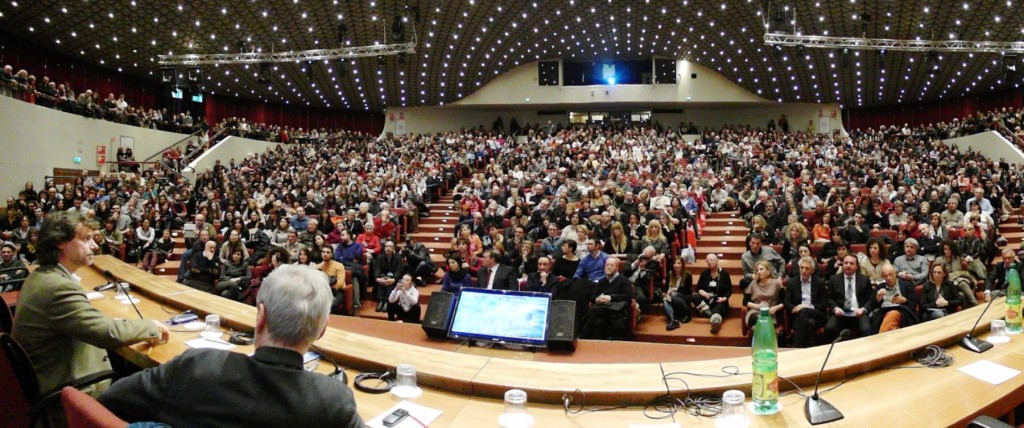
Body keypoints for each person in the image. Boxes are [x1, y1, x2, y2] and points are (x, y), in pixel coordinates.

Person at [99, 265, 364, 428]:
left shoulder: (195, 366)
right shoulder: (333, 401)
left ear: (260, 315)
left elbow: (108, 403)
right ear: (322, 329)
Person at [12, 211, 168, 404]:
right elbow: (108, 333)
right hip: (67, 393)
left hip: (50, 378)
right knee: (158, 389)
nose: (94, 245)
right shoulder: (58, 287)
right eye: (86, 239)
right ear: (60, 241)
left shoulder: (40, 276)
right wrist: (152, 326)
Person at [579, 257, 634, 340]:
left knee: (595, 310)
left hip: (617, 312)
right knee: (598, 322)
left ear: (617, 268)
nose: (608, 267)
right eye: (607, 265)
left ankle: (582, 336)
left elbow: (628, 296)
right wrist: (597, 299)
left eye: (611, 265)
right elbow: (592, 296)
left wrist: (610, 298)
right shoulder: (602, 281)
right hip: (603, 311)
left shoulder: (624, 280)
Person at [825, 254, 873, 339]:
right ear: (842, 264)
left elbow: (870, 299)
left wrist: (863, 309)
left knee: (866, 329)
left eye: (851, 263)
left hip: (859, 313)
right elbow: (829, 298)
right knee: (830, 328)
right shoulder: (834, 279)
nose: (848, 265)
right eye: (846, 263)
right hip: (840, 313)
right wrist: (835, 308)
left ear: (857, 266)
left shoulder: (864, 279)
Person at [784, 256, 828, 348]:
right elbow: (787, 303)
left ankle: (795, 346)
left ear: (812, 270)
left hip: (817, 314)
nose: (803, 271)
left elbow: (823, 304)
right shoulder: (792, 282)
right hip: (798, 316)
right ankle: (809, 350)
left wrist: (806, 306)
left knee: (804, 311)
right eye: (801, 268)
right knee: (810, 323)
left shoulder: (819, 282)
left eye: (807, 268)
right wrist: (796, 308)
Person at [870, 264, 919, 333]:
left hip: (903, 312)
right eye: (885, 276)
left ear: (895, 273)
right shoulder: (880, 287)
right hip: (883, 313)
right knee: (890, 323)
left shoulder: (907, 285)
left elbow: (913, 305)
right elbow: (872, 306)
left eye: (890, 274)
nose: (888, 278)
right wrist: (878, 298)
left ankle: (880, 339)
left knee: (892, 314)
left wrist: (904, 300)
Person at [696, 253, 733, 334]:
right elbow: (698, 288)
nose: (709, 262)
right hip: (707, 299)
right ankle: (709, 312)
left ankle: (715, 323)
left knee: (718, 309)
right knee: (693, 297)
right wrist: (705, 294)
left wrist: (724, 298)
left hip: (719, 300)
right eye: (707, 261)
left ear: (717, 261)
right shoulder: (704, 273)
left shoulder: (724, 274)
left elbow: (729, 290)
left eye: (711, 260)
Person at [743, 260, 784, 329]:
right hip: (755, 312)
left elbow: (785, 301)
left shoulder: (776, 283)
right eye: (757, 270)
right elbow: (745, 301)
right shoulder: (753, 283)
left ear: (768, 271)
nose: (758, 272)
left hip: (770, 313)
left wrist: (776, 308)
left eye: (761, 269)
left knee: (757, 327)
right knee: (760, 321)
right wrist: (758, 306)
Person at [663, 258, 697, 331]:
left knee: (674, 294)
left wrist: (674, 290)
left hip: (684, 298)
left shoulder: (687, 275)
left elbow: (687, 291)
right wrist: (667, 294)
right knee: (665, 299)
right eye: (674, 263)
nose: (676, 265)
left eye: (678, 263)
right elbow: (666, 288)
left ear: (682, 265)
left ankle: (687, 314)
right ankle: (673, 320)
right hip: (672, 298)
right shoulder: (669, 275)